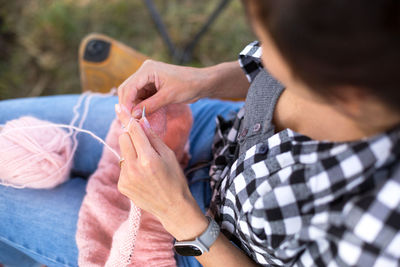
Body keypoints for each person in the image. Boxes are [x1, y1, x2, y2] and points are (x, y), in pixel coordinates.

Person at [0, 0, 399, 266]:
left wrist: (177, 213)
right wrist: (202, 81)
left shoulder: (383, 226)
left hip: (197, 250)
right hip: (215, 131)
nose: (263, 54)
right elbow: (266, 65)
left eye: (274, 48)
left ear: (346, 93)